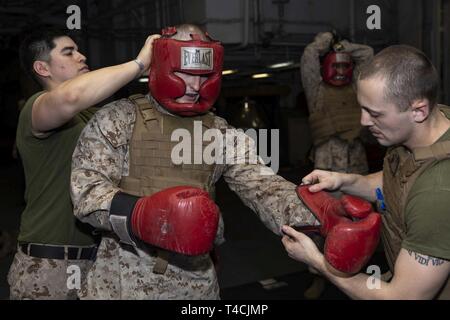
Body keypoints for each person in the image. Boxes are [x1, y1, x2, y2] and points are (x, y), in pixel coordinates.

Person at [70, 24, 320, 299]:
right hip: (120, 284)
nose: (196, 87)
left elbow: (262, 185)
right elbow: (86, 194)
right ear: (160, 66)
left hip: (196, 286)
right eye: (185, 74)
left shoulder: (220, 131)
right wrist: (144, 215)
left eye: (205, 77)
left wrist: (319, 214)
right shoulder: (118, 118)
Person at [282, 45, 450, 299]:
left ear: (418, 110)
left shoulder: (437, 195)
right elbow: (399, 181)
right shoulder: (431, 124)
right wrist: (344, 180)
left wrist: (317, 261)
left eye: (375, 113)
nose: (363, 122)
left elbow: (401, 297)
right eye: (362, 109)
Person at [8, 28, 159, 300]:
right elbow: (69, 98)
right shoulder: (36, 109)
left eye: (78, 50)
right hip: (49, 265)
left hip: (99, 262)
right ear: (42, 68)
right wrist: (138, 65)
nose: (82, 56)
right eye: (69, 52)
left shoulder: (94, 113)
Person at [301, 31, 373, 174]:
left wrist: (342, 47)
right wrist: (326, 40)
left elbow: (367, 54)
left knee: (358, 196)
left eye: (344, 67)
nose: (340, 72)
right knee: (328, 197)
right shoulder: (315, 89)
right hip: (327, 161)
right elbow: (310, 53)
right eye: (336, 66)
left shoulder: (355, 86)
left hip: (356, 158)